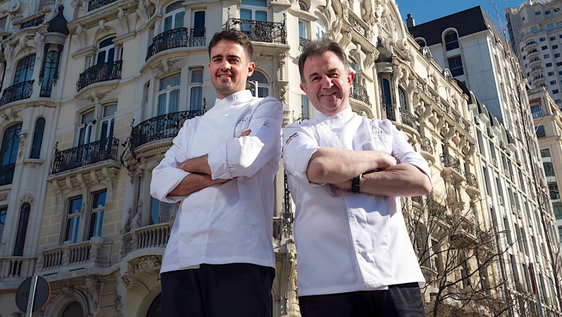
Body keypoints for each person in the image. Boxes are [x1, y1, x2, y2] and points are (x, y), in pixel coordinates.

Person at [282, 38, 432, 317]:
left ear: (349, 77)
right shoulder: (296, 133)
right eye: (315, 78)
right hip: (327, 283)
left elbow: (421, 181)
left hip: (395, 275)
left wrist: (353, 181)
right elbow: (321, 168)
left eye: (332, 74)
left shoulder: (383, 129)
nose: (326, 84)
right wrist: (382, 160)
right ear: (304, 88)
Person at [150, 29, 283, 317]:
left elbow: (245, 157)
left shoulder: (265, 108)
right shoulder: (192, 126)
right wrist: (223, 169)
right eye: (218, 59)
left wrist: (186, 166)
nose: (225, 65)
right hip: (180, 261)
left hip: (242, 255)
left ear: (249, 68)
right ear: (209, 66)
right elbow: (159, 181)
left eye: (233, 59)